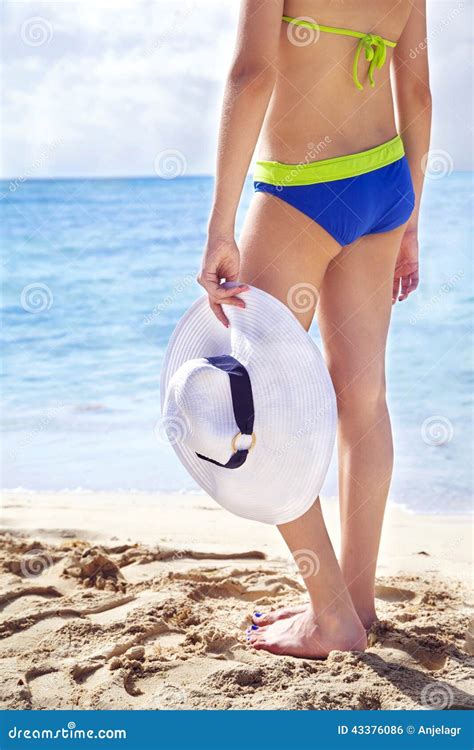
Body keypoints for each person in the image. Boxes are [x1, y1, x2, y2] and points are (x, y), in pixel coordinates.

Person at [197, 0, 431, 658]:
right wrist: (411, 216)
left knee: (248, 406)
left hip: (303, 188)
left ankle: (332, 617)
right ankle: (357, 601)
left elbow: (252, 74)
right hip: (385, 182)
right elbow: (415, 85)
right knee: (363, 398)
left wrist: (220, 225)